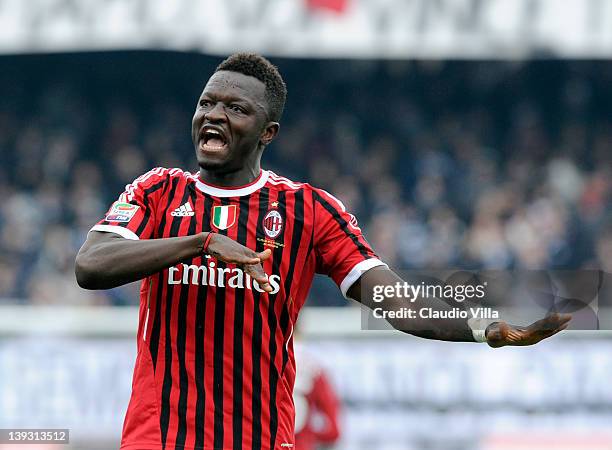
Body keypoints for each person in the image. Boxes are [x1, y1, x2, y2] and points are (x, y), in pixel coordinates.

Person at [75, 53, 571, 450]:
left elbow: (397, 303)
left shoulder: (308, 210)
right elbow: (91, 266)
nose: (214, 116)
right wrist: (198, 244)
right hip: (159, 440)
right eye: (207, 103)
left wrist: (487, 327)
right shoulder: (158, 191)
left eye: (235, 108)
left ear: (267, 132)